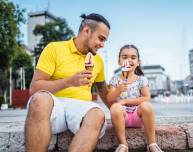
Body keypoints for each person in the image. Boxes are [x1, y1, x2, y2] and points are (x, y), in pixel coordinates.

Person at [25, 13, 110, 152]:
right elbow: (34, 88)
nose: (102, 44)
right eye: (101, 39)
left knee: (97, 114)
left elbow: (105, 94)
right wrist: (69, 82)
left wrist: (126, 110)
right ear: (87, 31)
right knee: (40, 99)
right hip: (53, 106)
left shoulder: (98, 61)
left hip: (80, 110)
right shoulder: (54, 49)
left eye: (105, 41)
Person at [107, 45, 163, 152]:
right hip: (122, 117)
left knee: (147, 106)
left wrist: (126, 101)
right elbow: (110, 98)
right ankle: (123, 145)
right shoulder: (115, 79)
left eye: (133, 57)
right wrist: (118, 90)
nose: (129, 60)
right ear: (119, 61)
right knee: (115, 107)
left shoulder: (141, 80)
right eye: (125, 57)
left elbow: (146, 98)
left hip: (138, 116)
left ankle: (152, 143)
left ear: (138, 62)